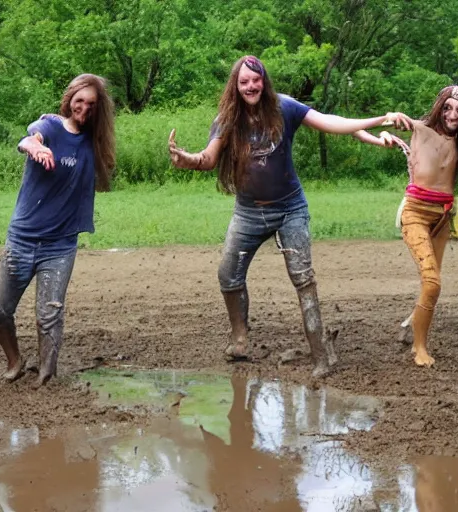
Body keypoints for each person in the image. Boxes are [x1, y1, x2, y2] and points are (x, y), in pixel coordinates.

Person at [168, 55, 411, 377]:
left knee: (303, 279)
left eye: (256, 80)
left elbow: (331, 122)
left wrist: (379, 121)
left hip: (290, 209)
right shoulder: (227, 119)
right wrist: (188, 159)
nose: (251, 86)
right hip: (249, 212)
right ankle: (240, 339)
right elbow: (209, 158)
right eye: (244, 82)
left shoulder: (285, 108)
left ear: (264, 81)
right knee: (228, 275)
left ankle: (321, 355)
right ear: (235, 86)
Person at [353, 85, 458, 367]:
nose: (453, 114)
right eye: (448, 108)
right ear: (439, 107)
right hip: (415, 214)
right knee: (433, 283)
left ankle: (413, 323)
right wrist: (381, 134)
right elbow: (356, 129)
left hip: (443, 219)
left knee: (430, 281)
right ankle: (419, 348)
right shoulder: (417, 128)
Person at [0, 74, 116, 388]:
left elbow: (104, 167)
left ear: (99, 109)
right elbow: (29, 138)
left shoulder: (94, 141)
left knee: (49, 315)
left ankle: (46, 375)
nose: (83, 108)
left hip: (60, 246)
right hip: (22, 238)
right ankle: (15, 360)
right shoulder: (50, 125)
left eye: (91, 104)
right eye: (79, 100)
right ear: (69, 99)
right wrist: (35, 147)